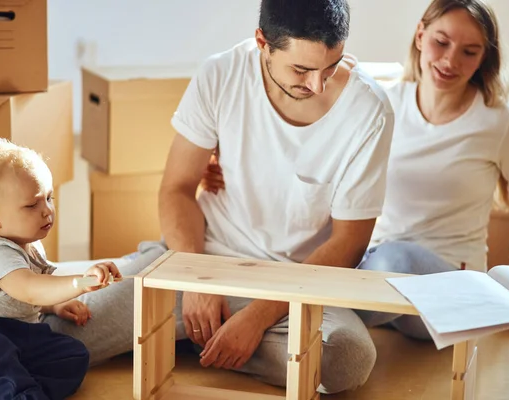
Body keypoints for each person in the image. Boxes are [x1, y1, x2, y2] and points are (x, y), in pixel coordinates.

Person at [202, 0, 509, 341]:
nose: (449, 60)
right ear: (420, 36)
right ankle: (253, 318)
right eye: (441, 42)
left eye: (469, 52)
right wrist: (223, 163)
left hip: (447, 286)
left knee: (393, 258)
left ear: (484, 57)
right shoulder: (385, 101)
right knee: (352, 268)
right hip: (376, 275)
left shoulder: (500, 121)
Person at [129, 0, 395, 394]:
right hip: (203, 258)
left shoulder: (369, 111)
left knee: (346, 359)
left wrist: (257, 318)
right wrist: (198, 280)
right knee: (75, 322)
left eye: (331, 66)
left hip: (298, 285)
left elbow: (350, 242)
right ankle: (204, 334)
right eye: (302, 69)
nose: (317, 84)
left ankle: (185, 338)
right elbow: (177, 188)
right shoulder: (220, 73)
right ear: (262, 43)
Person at [0, 139, 122, 399]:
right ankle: (9, 387)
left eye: (49, 198)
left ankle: (13, 384)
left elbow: (23, 298)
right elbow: (29, 289)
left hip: (16, 333)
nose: (47, 211)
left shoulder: (31, 245)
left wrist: (53, 307)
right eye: (32, 205)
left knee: (73, 355)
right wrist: (81, 282)